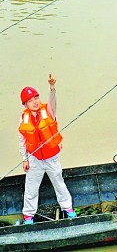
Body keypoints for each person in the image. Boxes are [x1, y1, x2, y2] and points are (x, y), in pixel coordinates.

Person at [18, 75, 77, 224]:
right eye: (30, 101)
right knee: (31, 188)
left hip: (51, 157)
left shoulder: (48, 110)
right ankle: (28, 216)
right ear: (25, 104)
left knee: (59, 183)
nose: (35, 102)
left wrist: (52, 88)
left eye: (36, 98)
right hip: (34, 159)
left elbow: (53, 102)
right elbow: (22, 140)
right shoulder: (23, 118)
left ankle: (68, 208)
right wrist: (24, 159)